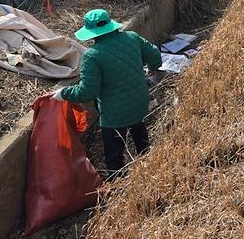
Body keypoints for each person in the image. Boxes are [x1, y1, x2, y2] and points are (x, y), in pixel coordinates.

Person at [52, 9, 162, 178]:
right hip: (140, 103)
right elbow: (154, 54)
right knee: (139, 131)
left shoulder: (92, 56)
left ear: (90, 32)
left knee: (114, 156)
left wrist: (63, 93)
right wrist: (152, 68)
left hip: (114, 116)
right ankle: (150, 165)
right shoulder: (132, 37)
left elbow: (87, 92)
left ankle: (118, 181)